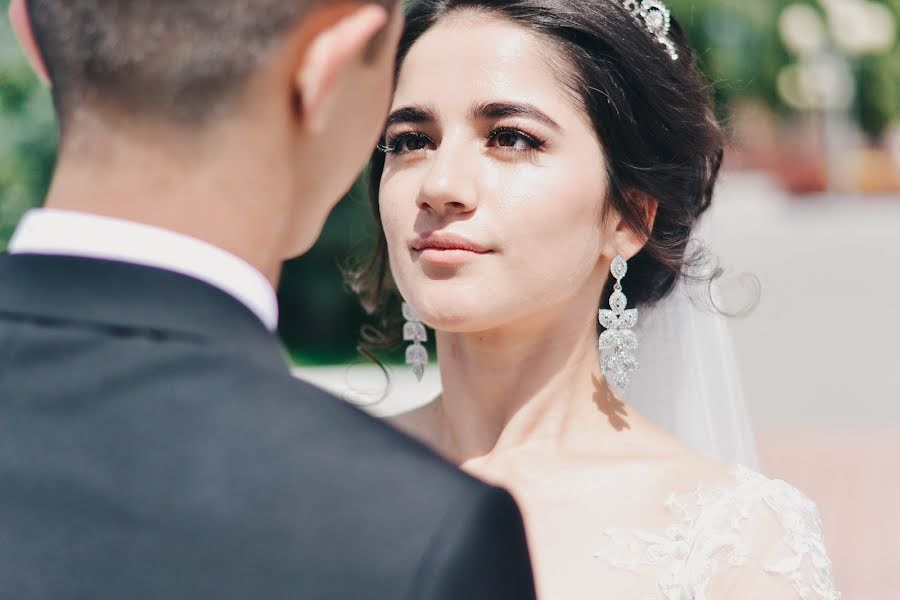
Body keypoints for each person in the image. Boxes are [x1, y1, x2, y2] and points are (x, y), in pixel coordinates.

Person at [0, 1, 537, 598]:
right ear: (324, 73)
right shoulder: (409, 535)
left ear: (28, 31)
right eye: (406, 134)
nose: (440, 185)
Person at [352, 0, 840, 598]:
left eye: (509, 137)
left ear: (629, 214)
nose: (441, 185)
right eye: (409, 141)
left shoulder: (734, 541)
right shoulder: (307, 481)